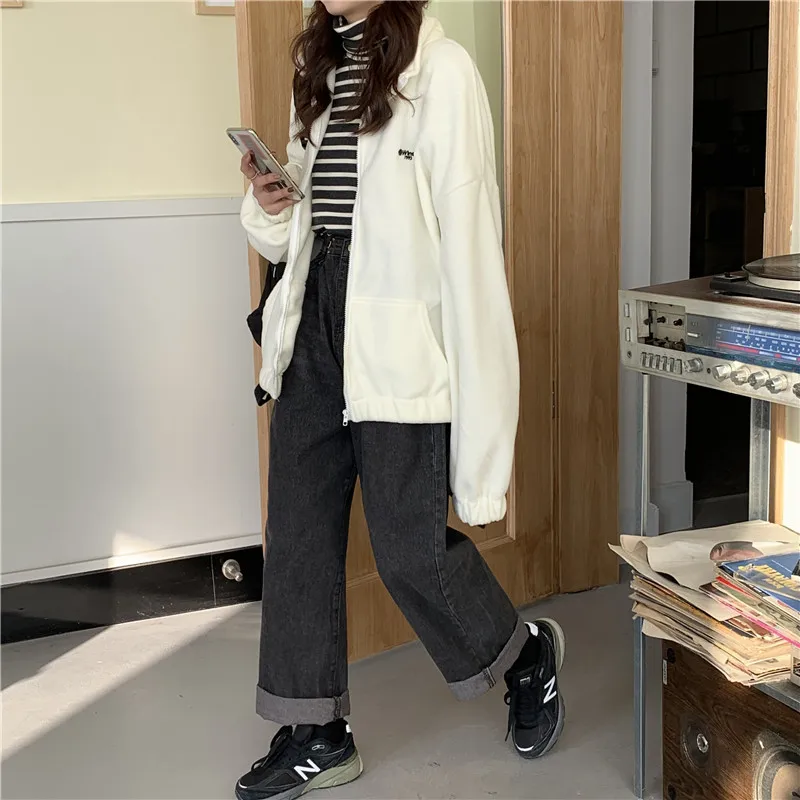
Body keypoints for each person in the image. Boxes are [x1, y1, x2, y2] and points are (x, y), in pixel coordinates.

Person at [235, 2, 566, 798]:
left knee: (408, 550)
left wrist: (483, 453)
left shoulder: (444, 74)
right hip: (313, 322)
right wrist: (273, 203)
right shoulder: (318, 66)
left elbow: (472, 256)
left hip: (398, 334)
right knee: (299, 534)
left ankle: (524, 655)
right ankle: (317, 732)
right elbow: (298, 232)